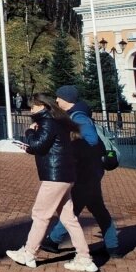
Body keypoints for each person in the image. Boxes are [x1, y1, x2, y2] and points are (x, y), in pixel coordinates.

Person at [5, 93, 98, 272]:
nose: (30, 110)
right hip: (64, 175)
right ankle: (84, 257)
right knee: (69, 219)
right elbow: (46, 146)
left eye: (33, 106)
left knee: (40, 214)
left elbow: (39, 145)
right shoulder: (59, 121)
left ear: (42, 106)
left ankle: (29, 253)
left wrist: (30, 132)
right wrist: (30, 146)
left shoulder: (48, 122)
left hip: (55, 176)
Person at [41, 85, 117, 257]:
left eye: (59, 97)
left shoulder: (79, 117)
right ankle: (113, 246)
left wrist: (71, 150)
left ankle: (53, 240)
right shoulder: (74, 115)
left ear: (66, 99)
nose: (57, 100)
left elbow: (90, 141)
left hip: (86, 172)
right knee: (97, 208)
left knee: (73, 208)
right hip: (90, 171)